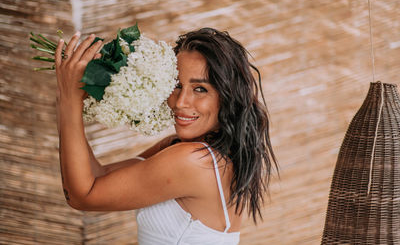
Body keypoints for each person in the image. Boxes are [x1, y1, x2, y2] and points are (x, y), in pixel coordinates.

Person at [55, 27, 277, 245]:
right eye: (177, 85)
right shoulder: (188, 149)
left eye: (200, 89)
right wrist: (70, 101)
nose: (180, 102)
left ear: (228, 96)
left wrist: (69, 101)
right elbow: (98, 177)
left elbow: (82, 196)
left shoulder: (193, 161)